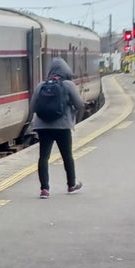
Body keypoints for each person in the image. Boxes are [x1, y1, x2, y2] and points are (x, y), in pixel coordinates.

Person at [28, 57, 84, 198]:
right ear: (66, 70)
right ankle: (71, 185)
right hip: (63, 126)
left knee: (43, 157)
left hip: (43, 127)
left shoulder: (41, 86)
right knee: (67, 156)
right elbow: (79, 104)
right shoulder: (68, 85)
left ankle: (44, 190)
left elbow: (33, 107)